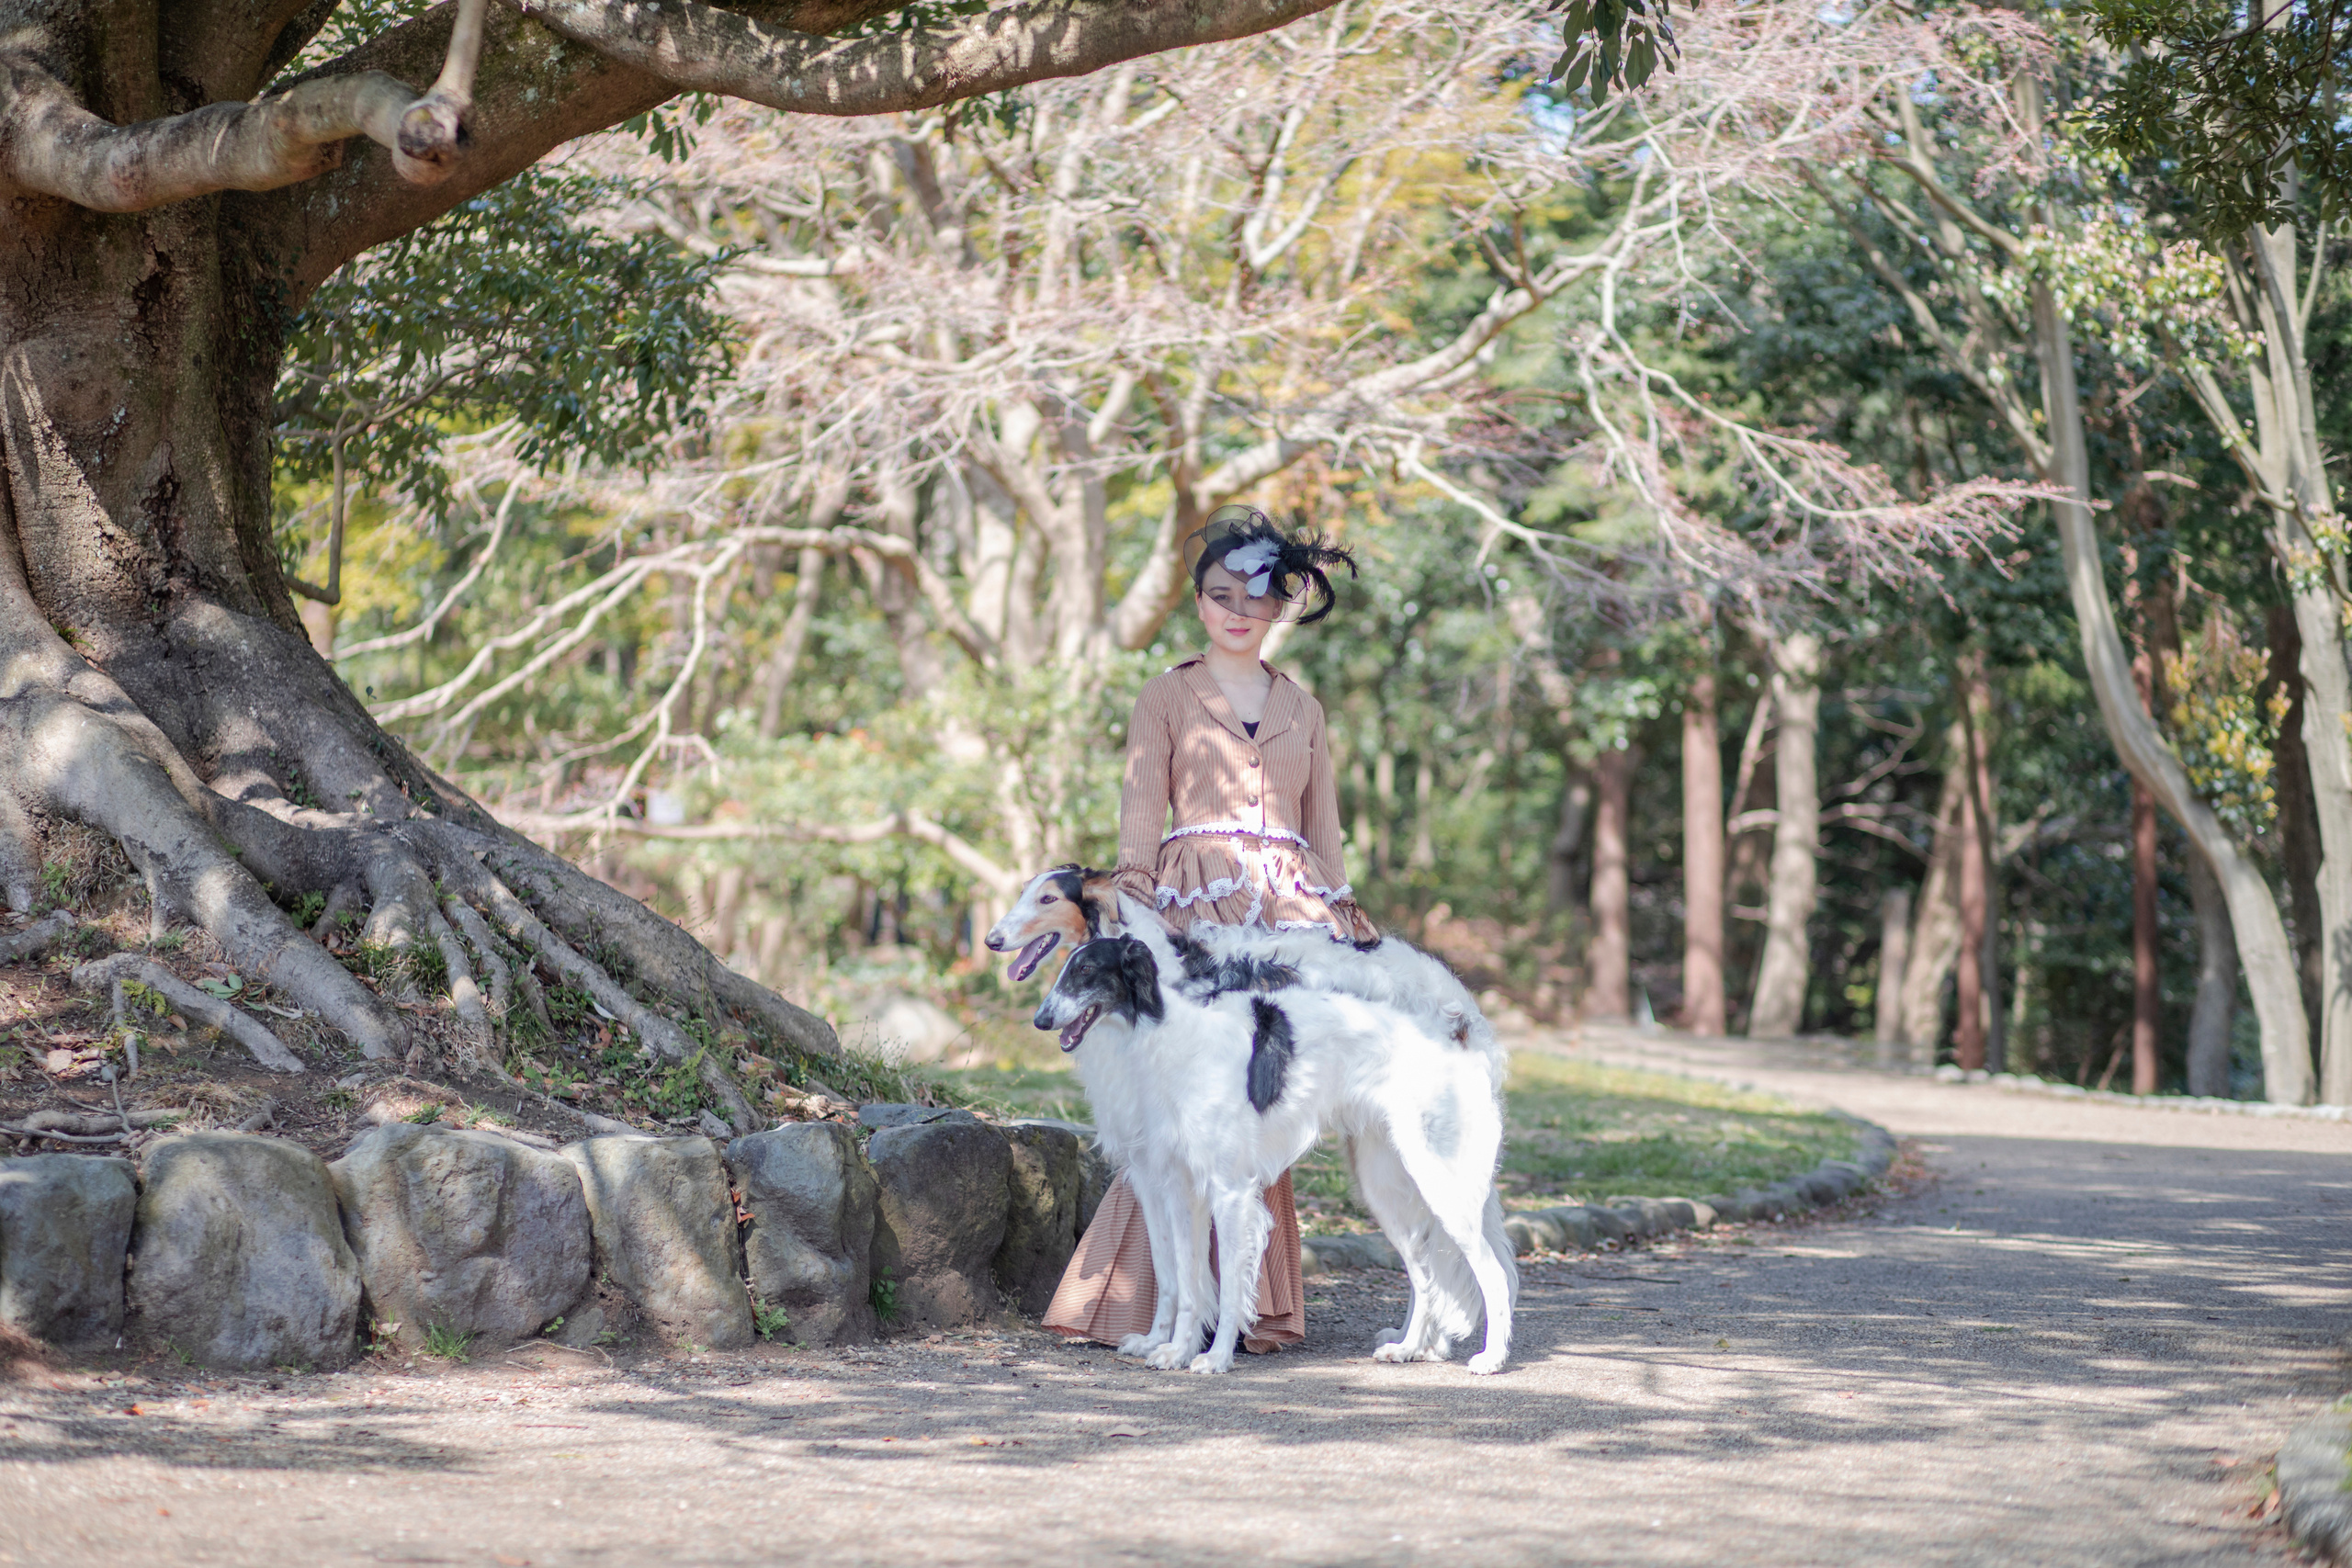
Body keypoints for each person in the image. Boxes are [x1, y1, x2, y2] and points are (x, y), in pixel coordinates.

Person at [1043, 504, 1374, 1355]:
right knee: (1175, 1110)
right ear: (1198, 602)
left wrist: (1339, 904)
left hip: (1286, 921)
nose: (1236, 609)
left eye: (1254, 597)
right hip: (1194, 912)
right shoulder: (1166, 695)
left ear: (1278, 609)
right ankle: (1134, 1307)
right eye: (1219, 594)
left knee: (1260, 1105)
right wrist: (1135, 904)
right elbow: (1139, 813)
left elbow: (1324, 825)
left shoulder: (1306, 709)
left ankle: (1257, 1312)